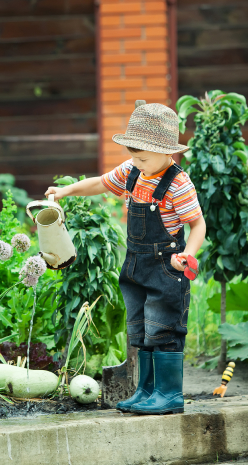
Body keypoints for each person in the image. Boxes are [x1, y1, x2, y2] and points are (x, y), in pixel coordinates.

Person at [44, 102, 206, 415]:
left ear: (167, 152)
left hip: (166, 267)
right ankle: (146, 390)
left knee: (165, 327)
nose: (135, 163)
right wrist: (65, 191)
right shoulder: (133, 171)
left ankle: (168, 394)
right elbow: (101, 183)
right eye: (133, 156)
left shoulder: (178, 183)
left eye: (142, 157)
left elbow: (198, 224)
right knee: (141, 329)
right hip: (136, 266)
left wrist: (188, 253)